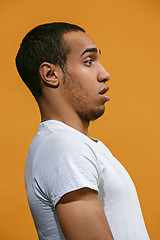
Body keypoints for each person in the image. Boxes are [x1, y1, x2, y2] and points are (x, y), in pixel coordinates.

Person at [15, 22, 150, 240]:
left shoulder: (72, 144)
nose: (104, 74)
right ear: (50, 74)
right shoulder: (63, 147)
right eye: (89, 62)